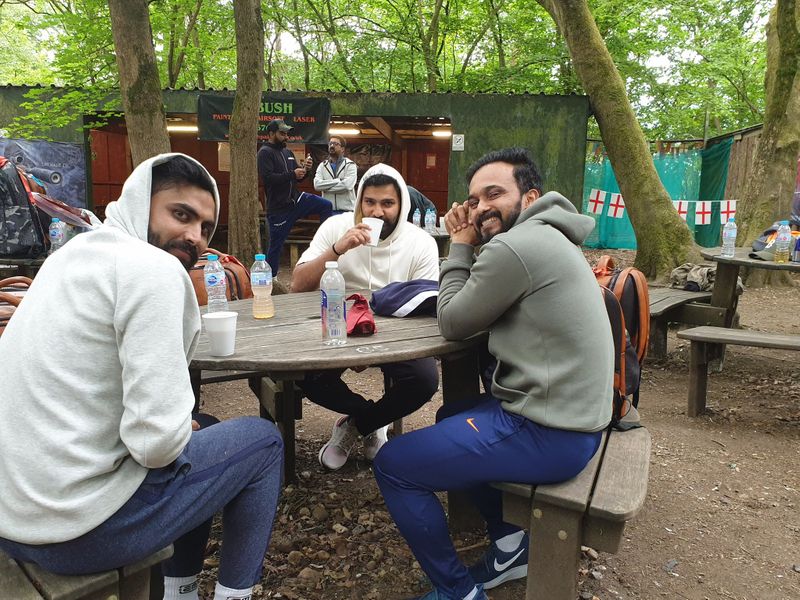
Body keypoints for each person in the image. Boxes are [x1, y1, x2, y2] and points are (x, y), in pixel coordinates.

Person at [0, 154, 284, 600]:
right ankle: (235, 595)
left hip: (13, 516)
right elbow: (155, 446)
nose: (193, 236)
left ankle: (179, 591)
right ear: (139, 203)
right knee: (265, 442)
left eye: (205, 228)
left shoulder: (71, 254)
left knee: (206, 431)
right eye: (181, 214)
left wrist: (171, 429)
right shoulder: (153, 270)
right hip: (76, 534)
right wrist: (168, 429)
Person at [373, 147, 614, 600]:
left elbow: (454, 320)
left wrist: (460, 245)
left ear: (530, 196)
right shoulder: (553, 237)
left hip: (551, 431)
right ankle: (509, 549)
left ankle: (458, 591)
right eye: (475, 198)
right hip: (577, 419)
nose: (481, 207)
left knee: (394, 465)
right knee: (453, 414)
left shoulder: (517, 245)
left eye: (494, 193)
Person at [291, 163, 440, 470]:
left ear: (402, 205)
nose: (377, 212)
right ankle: (368, 418)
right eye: (369, 202)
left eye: (387, 203)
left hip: (397, 334)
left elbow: (426, 307)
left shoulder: (420, 242)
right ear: (359, 201)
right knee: (302, 374)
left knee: (424, 380)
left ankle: (357, 425)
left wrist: (372, 346)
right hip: (336, 326)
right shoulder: (336, 227)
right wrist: (337, 249)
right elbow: (298, 284)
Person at [257, 119, 333, 275]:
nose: (286, 137)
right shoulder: (264, 152)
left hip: (297, 200)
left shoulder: (288, 152)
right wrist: (292, 174)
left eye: (287, 133)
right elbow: (268, 179)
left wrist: (305, 170)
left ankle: (324, 244)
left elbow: (297, 178)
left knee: (326, 205)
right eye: (282, 133)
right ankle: (271, 279)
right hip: (279, 208)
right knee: (275, 246)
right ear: (271, 134)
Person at [313, 135, 357, 213]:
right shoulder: (322, 166)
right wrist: (338, 180)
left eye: (336, 144)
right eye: (330, 144)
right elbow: (317, 185)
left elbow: (347, 186)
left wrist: (325, 188)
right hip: (327, 210)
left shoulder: (350, 165)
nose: (332, 146)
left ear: (343, 149)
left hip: (346, 211)